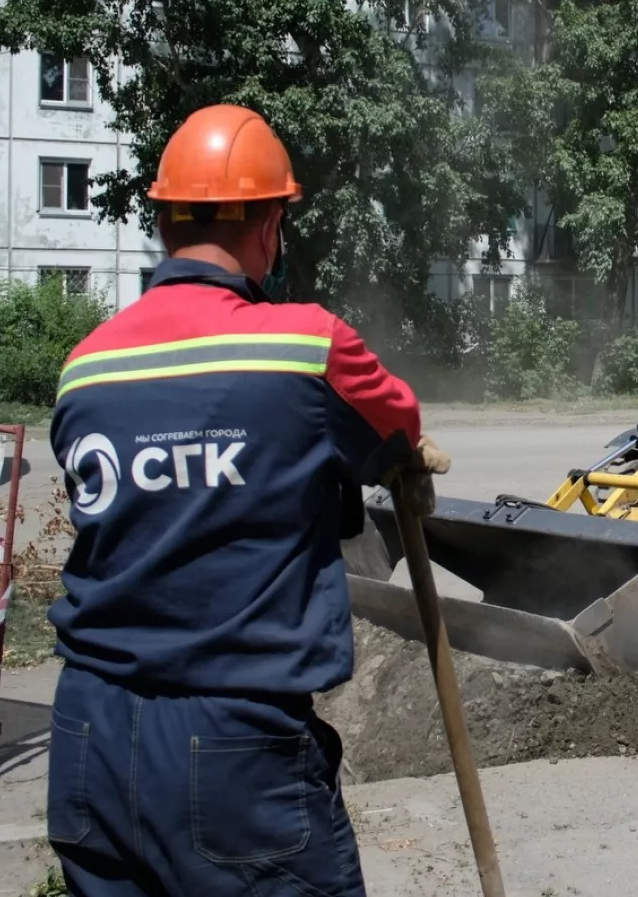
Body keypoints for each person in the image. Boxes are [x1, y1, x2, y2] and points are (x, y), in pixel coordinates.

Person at [44, 103, 445, 896]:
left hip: (87, 734)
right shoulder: (304, 344)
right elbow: (392, 430)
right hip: (231, 749)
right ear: (270, 226)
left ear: (162, 224)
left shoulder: (83, 368)